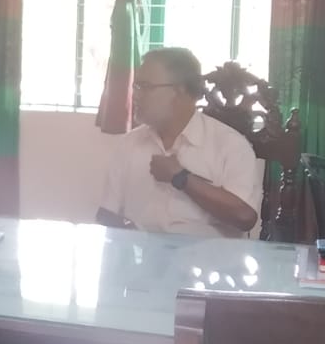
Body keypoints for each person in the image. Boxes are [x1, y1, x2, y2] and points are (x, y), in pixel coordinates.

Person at [97, 47, 263, 238]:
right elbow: (107, 213)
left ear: (180, 90)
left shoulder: (230, 145)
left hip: (207, 255)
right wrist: (129, 238)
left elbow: (244, 217)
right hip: (142, 252)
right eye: (136, 86)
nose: (136, 95)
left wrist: (181, 178)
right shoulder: (130, 144)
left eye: (145, 87)